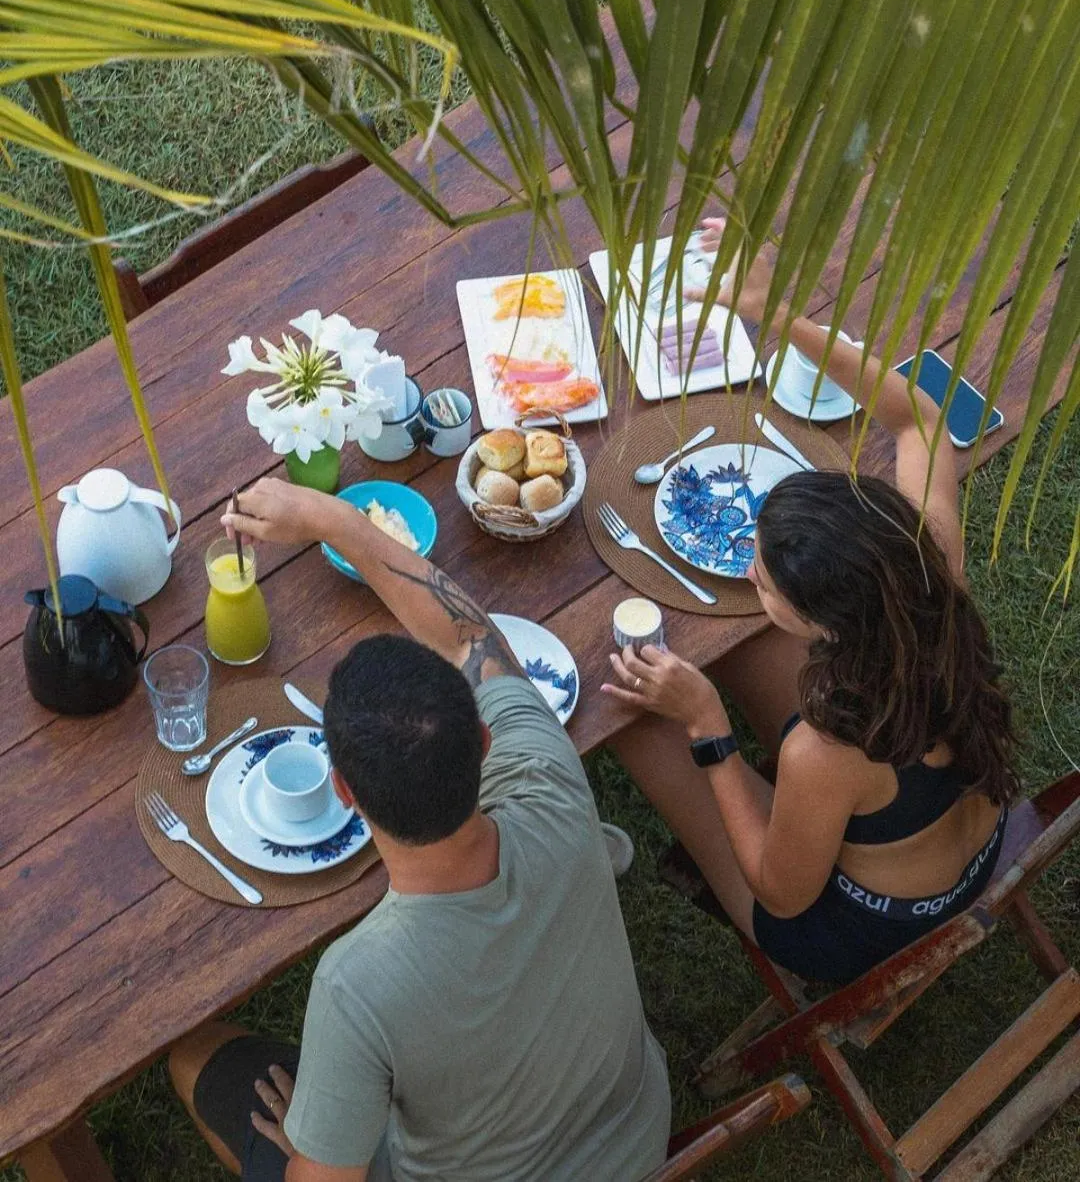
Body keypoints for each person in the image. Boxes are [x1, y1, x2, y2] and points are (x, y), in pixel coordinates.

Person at [169, 480, 670, 1182]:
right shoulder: (549, 779)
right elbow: (471, 637)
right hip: (635, 1144)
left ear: (344, 790)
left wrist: (306, 1153)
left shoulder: (358, 987)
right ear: (487, 742)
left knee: (194, 1058)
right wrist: (332, 519)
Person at [603, 229, 1018, 985]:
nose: (749, 572)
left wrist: (710, 730)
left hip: (852, 924)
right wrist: (780, 313)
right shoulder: (930, 569)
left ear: (831, 624)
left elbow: (783, 894)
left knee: (634, 720)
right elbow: (921, 420)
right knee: (745, 643)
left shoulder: (823, 751)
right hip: (943, 832)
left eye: (761, 577)